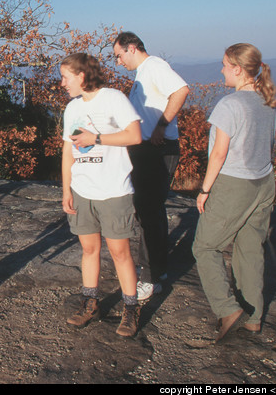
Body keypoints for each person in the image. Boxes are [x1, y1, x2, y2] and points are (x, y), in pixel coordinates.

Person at [191, 43, 276, 342]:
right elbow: (269, 146)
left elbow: (218, 154)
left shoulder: (230, 105)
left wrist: (204, 190)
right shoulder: (267, 101)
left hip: (234, 183)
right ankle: (253, 318)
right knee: (250, 249)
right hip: (264, 180)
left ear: (238, 69)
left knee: (204, 247)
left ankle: (227, 309)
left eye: (225, 65)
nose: (221, 70)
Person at [60, 53, 143, 337]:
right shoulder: (72, 108)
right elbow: (67, 151)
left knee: (120, 253)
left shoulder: (113, 98)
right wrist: (66, 190)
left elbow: (135, 135)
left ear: (81, 75)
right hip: (83, 191)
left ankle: (130, 310)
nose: (62, 83)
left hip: (114, 190)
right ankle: (90, 304)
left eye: (65, 77)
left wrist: (95, 138)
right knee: (89, 250)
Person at [112, 32, 189, 300]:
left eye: (119, 55)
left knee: (149, 212)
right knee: (148, 211)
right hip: (146, 149)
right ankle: (158, 270)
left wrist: (161, 126)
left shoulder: (154, 66)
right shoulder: (142, 73)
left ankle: (151, 278)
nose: (118, 61)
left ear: (132, 48)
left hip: (157, 149)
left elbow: (181, 90)